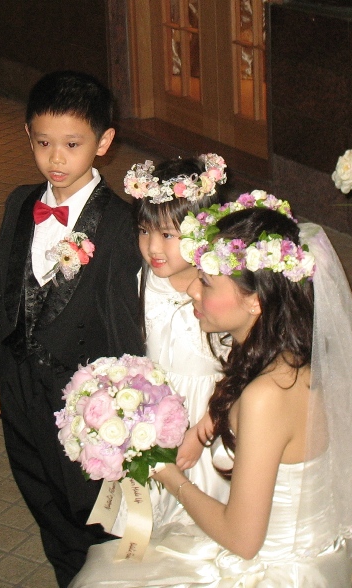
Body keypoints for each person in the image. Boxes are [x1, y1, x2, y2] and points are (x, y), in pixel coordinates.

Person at [71, 193, 352, 587]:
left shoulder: (268, 393)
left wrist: (164, 471)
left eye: (207, 282)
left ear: (254, 302)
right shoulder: (278, 355)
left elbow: (243, 541)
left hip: (271, 567)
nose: (193, 290)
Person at [0, 70, 144, 587]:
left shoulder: (119, 223)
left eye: (72, 144)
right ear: (28, 135)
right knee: (40, 489)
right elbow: (2, 287)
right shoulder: (21, 203)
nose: (56, 159)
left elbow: (124, 317)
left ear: (104, 143)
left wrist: (125, 399)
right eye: (43, 143)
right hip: (22, 382)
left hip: (85, 395)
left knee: (92, 503)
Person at [110, 154, 230, 535]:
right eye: (145, 231)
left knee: (204, 527)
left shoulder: (223, 292)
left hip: (210, 419)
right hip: (153, 417)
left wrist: (200, 434)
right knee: (147, 530)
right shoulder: (141, 281)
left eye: (168, 235)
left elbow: (241, 374)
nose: (153, 248)